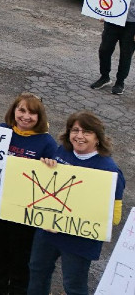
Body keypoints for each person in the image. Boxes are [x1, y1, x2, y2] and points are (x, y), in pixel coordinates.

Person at [27, 111, 124, 295]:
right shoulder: (63, 151)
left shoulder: (109, 170)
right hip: (48, 232)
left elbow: (114, 217)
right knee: (37, 271)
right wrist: (46, 167)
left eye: (86, 132)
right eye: (75, 130)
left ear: (97, 138)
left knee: (73, 285)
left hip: (79, 240)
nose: (79, 136)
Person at [0, 93, 58, 295]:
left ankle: (18, 289)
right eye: (21, 110)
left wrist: (51, 165)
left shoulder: (46, 142)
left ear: (40, 117)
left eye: (32, 113)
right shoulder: (0, 131)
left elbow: (55, 179)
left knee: (21, 254)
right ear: (13, 111)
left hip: (25, 213)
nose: (26, 116)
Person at [90, 0, 135, 95]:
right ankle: (104, 77)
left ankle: (120, 82)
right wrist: (104, 13)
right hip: (113, 22)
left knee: (126, 54)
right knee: (104, 49)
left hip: (131, 24)